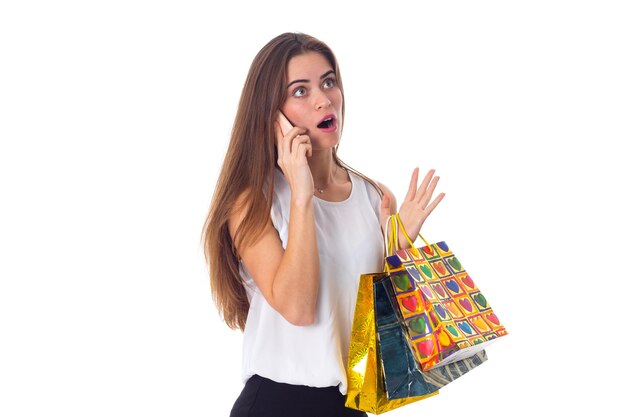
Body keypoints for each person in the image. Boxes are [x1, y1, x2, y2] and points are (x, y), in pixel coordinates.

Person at [202, 32, 445, 417]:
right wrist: (301, 195)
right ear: (272, 116)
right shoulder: (252, 202)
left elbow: (372, 326)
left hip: (349, 403)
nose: (324, 99)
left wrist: (400, 250)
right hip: (274, 404)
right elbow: (298, 308)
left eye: (328, 82)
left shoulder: (373, 196)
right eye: (300, 91)